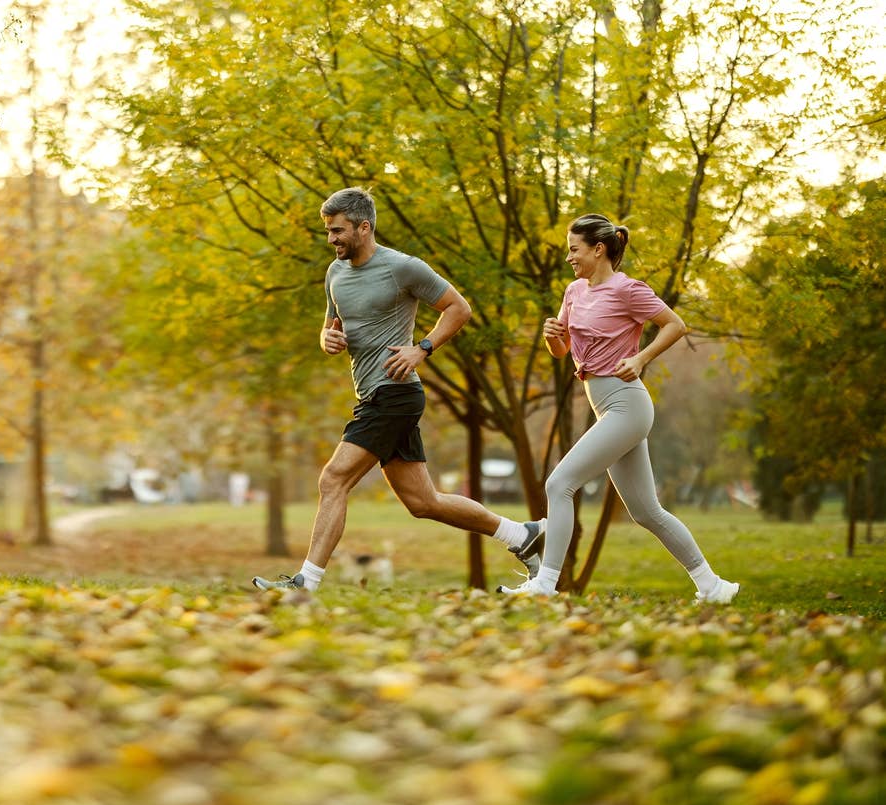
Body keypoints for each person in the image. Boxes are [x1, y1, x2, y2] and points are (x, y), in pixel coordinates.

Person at [252, 187, 545, 592]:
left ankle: (306, 582)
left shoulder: (403, 268)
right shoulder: (334, 273)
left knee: (333, 479)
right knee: (423, 503)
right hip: (372, 393)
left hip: (395, 392)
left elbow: (459, 309)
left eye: (338, 231)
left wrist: (422, 348)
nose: (331, 239)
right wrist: (326, 340)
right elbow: (330, 327)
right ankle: (521, 535)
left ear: (364, 226)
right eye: (328, 231)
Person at [498, 214, 739, 603]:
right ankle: (713, 586)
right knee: (646, 511)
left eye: (574, 250)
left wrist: (641, 358)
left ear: (599, 249)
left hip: (628, 404)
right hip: (604, 403)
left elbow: (675, 325)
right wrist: (552, 338)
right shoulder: (574, 291)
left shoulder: (628, 290)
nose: (568, 258)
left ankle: (545, 584)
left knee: (559, 484)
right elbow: (563, 352)